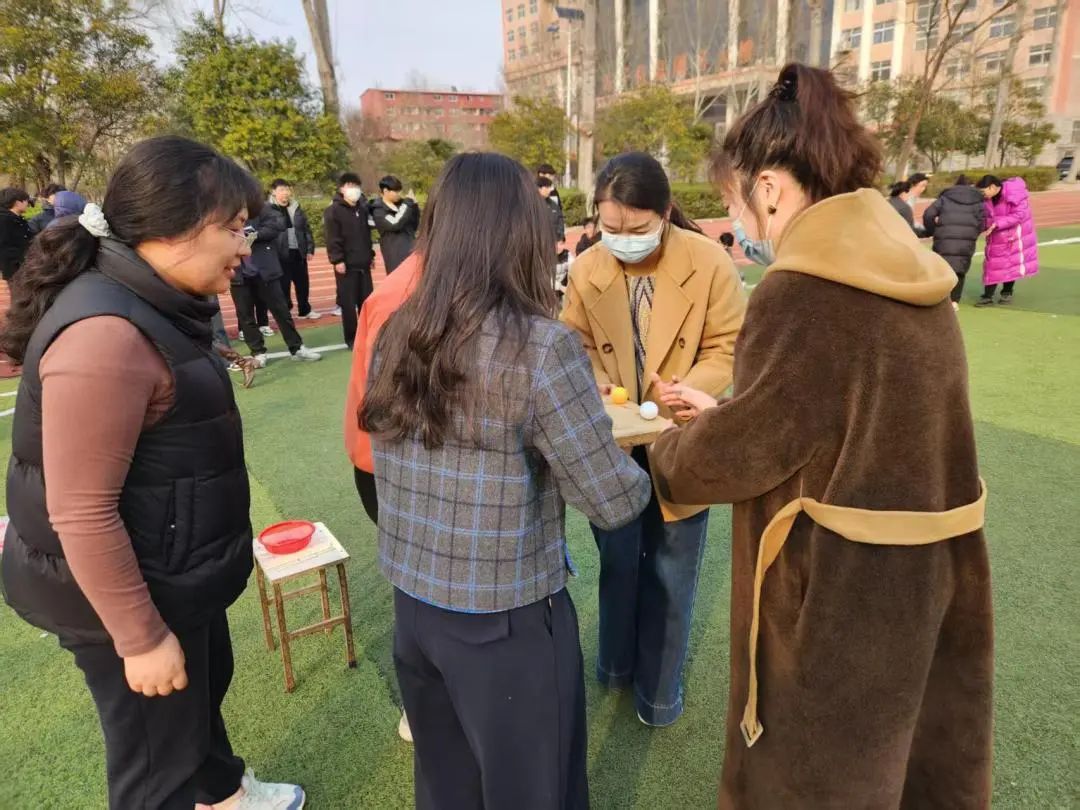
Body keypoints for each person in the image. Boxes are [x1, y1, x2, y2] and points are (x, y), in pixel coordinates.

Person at [648, 63, 991, 808]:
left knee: (817, 777)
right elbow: (837, 413)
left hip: (835, 593)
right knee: (900, 761)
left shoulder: (801, 290)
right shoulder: (918, 274)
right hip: (930, 574)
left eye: (733, 201)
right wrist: (731, 412)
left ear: (770, 188)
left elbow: (750, 448)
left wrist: (669, 453)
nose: (737, 221)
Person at [0, 135, 304, 809]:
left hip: (168, 567)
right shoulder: (104, 337)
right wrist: (139, 639)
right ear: (171, 229)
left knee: (199, 693)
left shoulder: (150, 298)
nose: (245, 246)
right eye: (233, 228)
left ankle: (222, 792)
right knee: (153, 766)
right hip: (117, 594)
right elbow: (80, 511)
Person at [359, 152, 651, 809]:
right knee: (533, 791)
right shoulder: (541, 347)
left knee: (447, 786)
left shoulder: (400, 328)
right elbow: (612, 500)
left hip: (414, 609)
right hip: (505, 622)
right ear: (520, 232)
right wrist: (647, 447)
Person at [561, 152, 748, 727]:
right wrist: (595, 381)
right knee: (617, 564)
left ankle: (658, 694)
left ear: (665, 214)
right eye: (610, 227)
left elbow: (729, 345)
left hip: (678, 434)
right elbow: (575, 344)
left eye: (637, 228)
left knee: (672, 574)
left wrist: (691, 389)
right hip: (612, 442)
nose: (623, 239)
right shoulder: (586, 268)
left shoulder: (708, 262)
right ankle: (615, 667)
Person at [229, 206, 321, 366]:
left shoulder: (260, 209)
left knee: (281, 311)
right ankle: (258, 352)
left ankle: (296, 347)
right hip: (239, 274)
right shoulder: (223, 212)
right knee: (245, 316)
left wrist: (252, 235)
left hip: (265, 271)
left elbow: (276, 226)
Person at [324, 172, 375, 348]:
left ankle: (368, 333)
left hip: (363, 263)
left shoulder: (362, 209)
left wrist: (370, 255)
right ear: (341, 189)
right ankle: (352, 338)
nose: (354, 190)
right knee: (348, 305)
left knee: (366, 302)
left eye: (356, 186)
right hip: (346, 265)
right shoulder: (333, 211)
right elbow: (332, 237)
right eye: (349, 186)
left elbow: (366, 235)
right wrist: (337, 260)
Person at [974, 174, 1039, 307]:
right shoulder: (988, 199)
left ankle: (1006, 292)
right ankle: (987, 296)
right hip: (997, 234)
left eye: (983, 192)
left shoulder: (1015, 194)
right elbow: (986, 215)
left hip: (1015, 235)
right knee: (993, 264)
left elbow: (1019, 215)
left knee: (1011, 263)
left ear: (992, 187)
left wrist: (997, 223)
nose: (982, 195)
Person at [923, 174, 986, 309]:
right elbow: (984, 221)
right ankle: (954, 301)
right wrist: (974, 232)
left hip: (944, 237)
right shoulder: (978, 201)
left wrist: (933, 230)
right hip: (967, 240)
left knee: (941, 268)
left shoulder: (945, 198)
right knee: (960, 270)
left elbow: (928, 214)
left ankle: (939, 298)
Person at [268, 179, 320, 320]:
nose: (285, 193)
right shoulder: (268, 209)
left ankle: (305, 310)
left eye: (287, 189)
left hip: (298, 251)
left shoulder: (296, 207)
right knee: (283, 285)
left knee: (303, 283)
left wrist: (309, 249)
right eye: (281, 190)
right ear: (273, 192)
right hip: (280, 253)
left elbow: (306, 229)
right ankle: (286, 311)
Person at [370, 175, 421, 273]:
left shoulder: (402, 205)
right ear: (385, 191)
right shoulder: (378, 211)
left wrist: (414, 206)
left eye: (400, 191)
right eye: (396, 191)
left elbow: (414, 225)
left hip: (410, 250)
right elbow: (395, 223)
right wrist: (408, 203)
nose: (399, 194)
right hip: (394, 256)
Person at [0, 187, 33, 286]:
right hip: (14, 270)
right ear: (18, 203)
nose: (28, 204)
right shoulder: (4, 221)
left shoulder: (17, 219)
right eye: (26, 201)